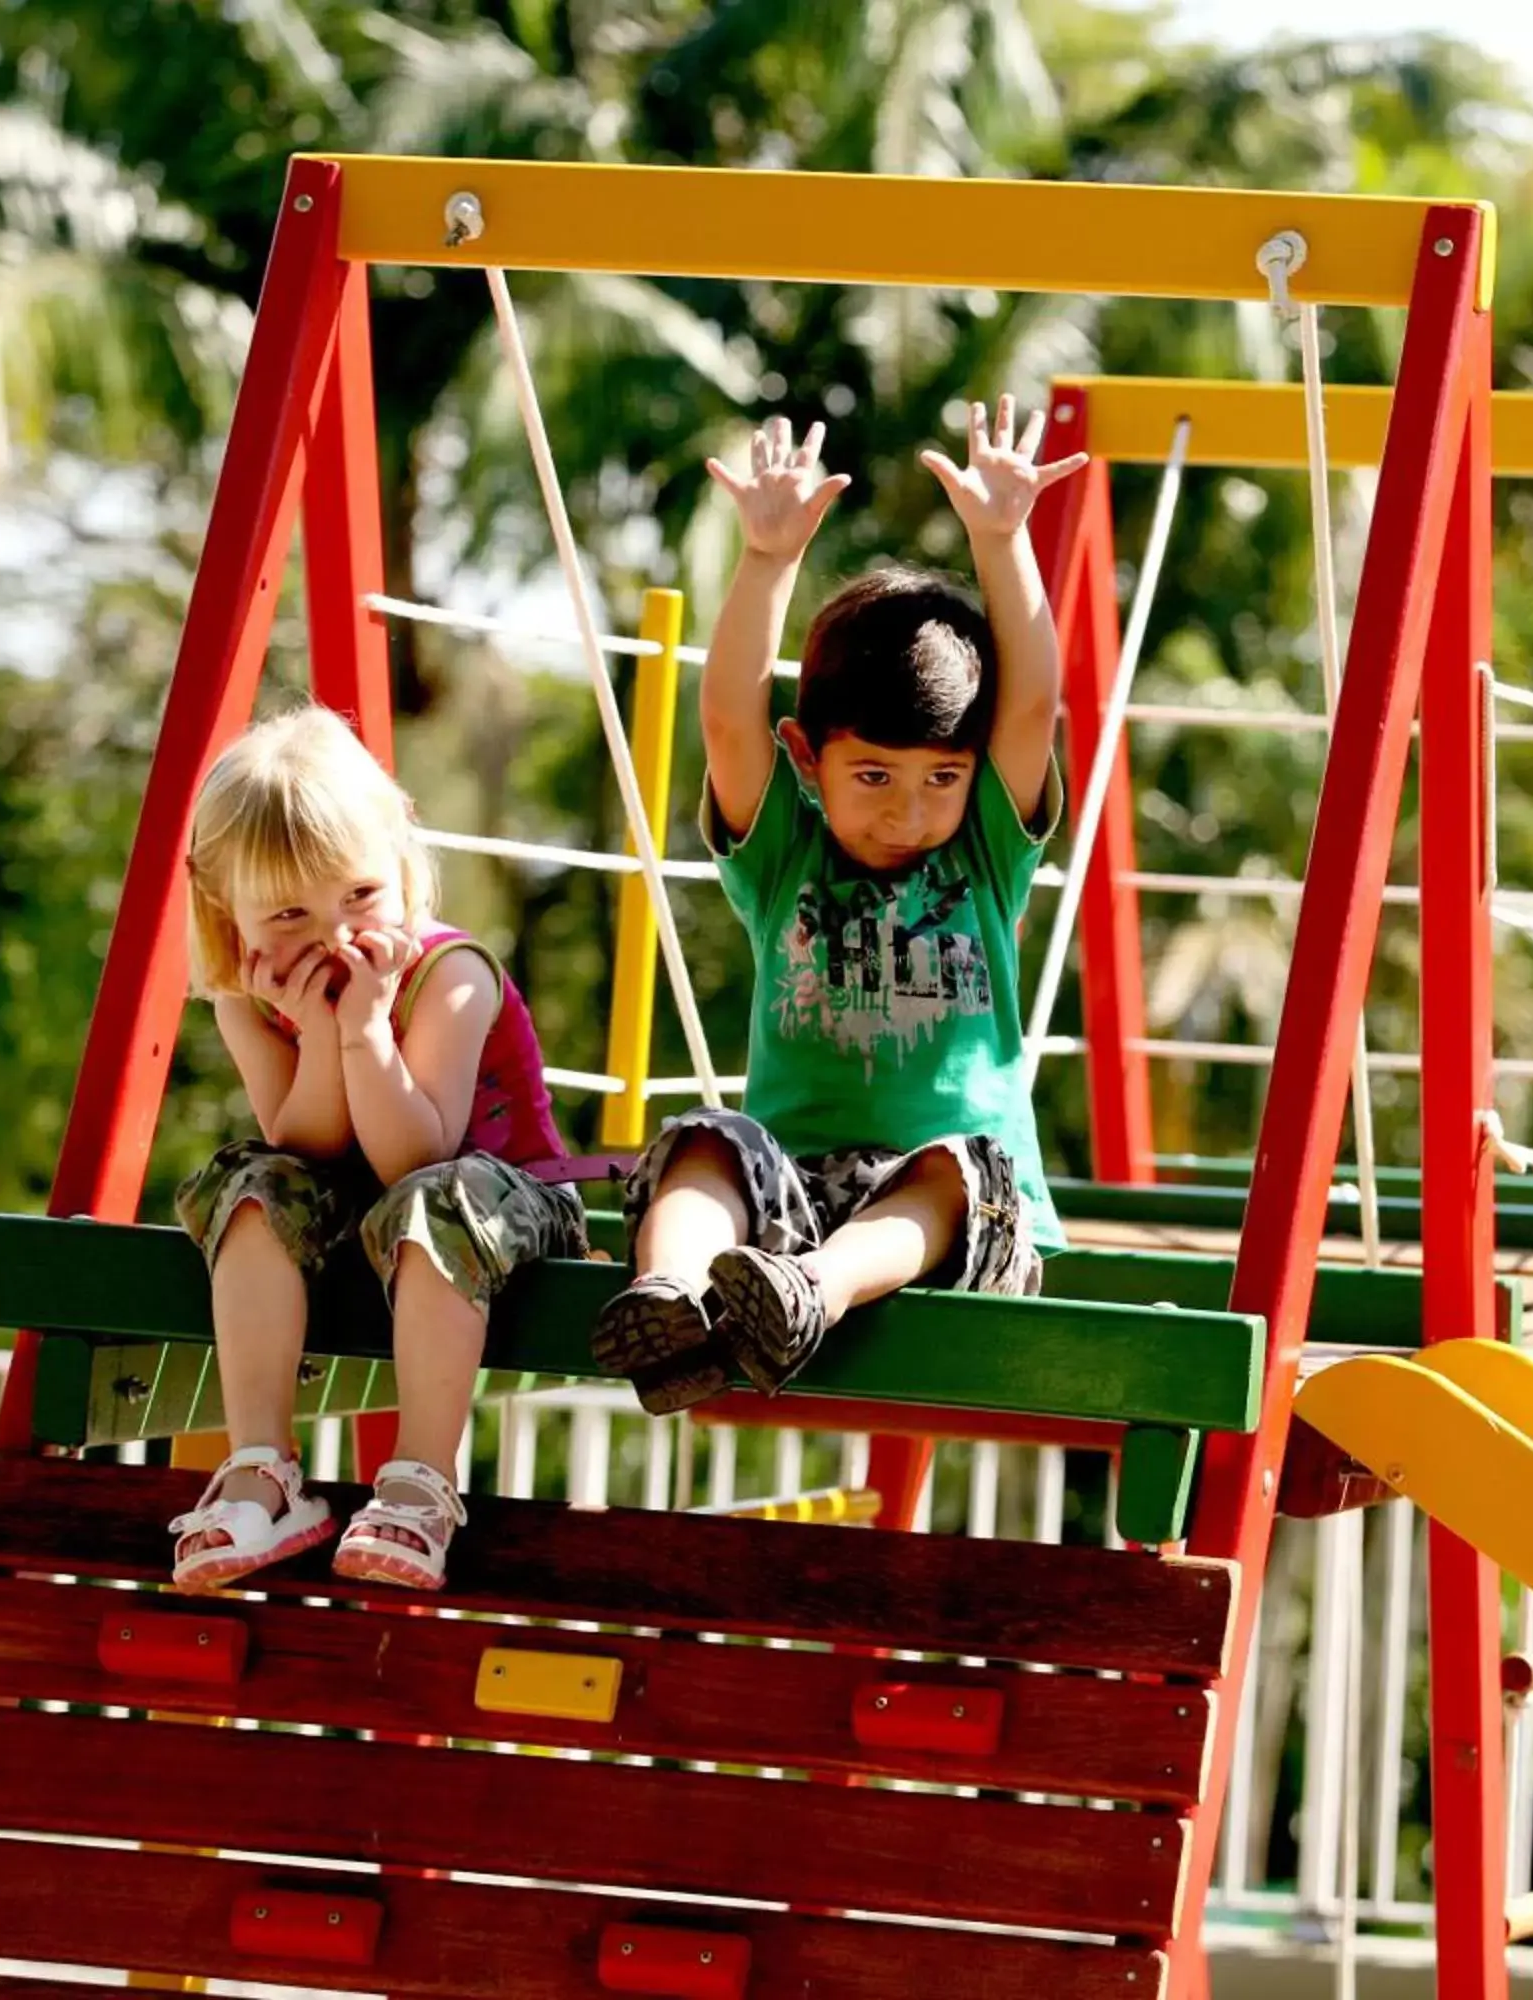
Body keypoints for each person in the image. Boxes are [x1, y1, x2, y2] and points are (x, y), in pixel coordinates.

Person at [593, 399, 1083, 1415]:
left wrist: (1002, 539)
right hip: (792, 1199)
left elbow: (1031, 704)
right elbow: (727, 715)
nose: (910, 810)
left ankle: (815, 1290)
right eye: (873, 777)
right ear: (809, 759)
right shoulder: (786, 856)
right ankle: (674, 1295)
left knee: (957, 1170)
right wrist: (767, 562)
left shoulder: (987, 853)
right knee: (706, 1141)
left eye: (942, 777)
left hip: (944, 1220)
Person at [164, 706, 590, 1595]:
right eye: (289, 911)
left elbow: (415, 1157)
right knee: (250, 1183)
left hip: (503, 1201)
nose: (333, 936)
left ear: (399, 864)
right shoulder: (248, 994)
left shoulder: (452, 976)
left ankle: (423, 1482)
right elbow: (302, 1147)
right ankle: (264, 1467)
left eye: (358, 896)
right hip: (375, 1207)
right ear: (226, 909)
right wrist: (324, 1036)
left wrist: (365, 1031)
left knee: (432, 1201)